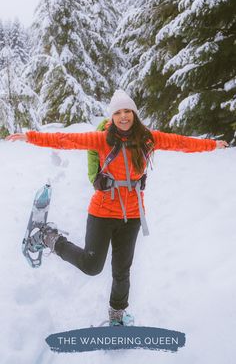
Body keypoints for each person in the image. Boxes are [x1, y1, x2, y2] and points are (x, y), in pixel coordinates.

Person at [7, 89, 228, 326]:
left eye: (127, 111)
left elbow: (181, 143)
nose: (123, 116)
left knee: (122, 271)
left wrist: (212, 145)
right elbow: (66, 140)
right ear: (111, 117)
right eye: (118, 113)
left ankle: (117, 315)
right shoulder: (102, 139)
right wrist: (30, 137)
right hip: (102, 213)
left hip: (132, 216)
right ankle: (49, 238)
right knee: (92, 266)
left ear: (134, 113)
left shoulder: (147, 139)